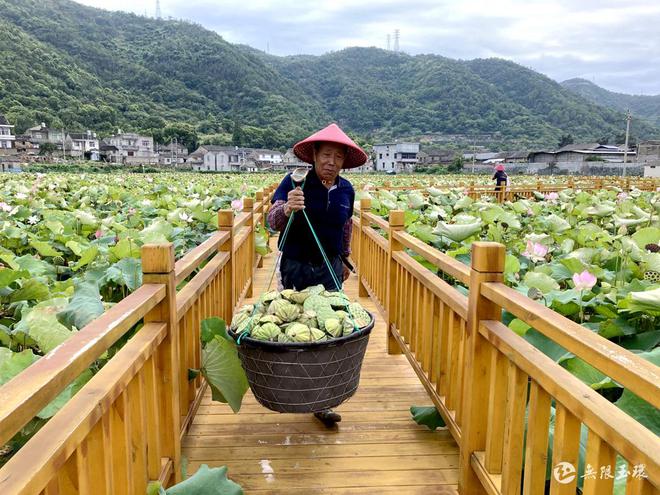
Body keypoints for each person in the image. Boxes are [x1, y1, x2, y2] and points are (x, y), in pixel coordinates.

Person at [267, 123, 367, 427]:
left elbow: (345, 226)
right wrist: (286, 210)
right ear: (314, 155)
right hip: (296, 264)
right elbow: (270, 221)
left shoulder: (346, 189)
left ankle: (322, 401)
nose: (331, 162)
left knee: (329, 330)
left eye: (338, 157)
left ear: (343, 162)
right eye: (326, 155)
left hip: (330, 267)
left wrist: (345, 258)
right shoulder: (294, 181)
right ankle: (293, 388)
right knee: (295, 326)